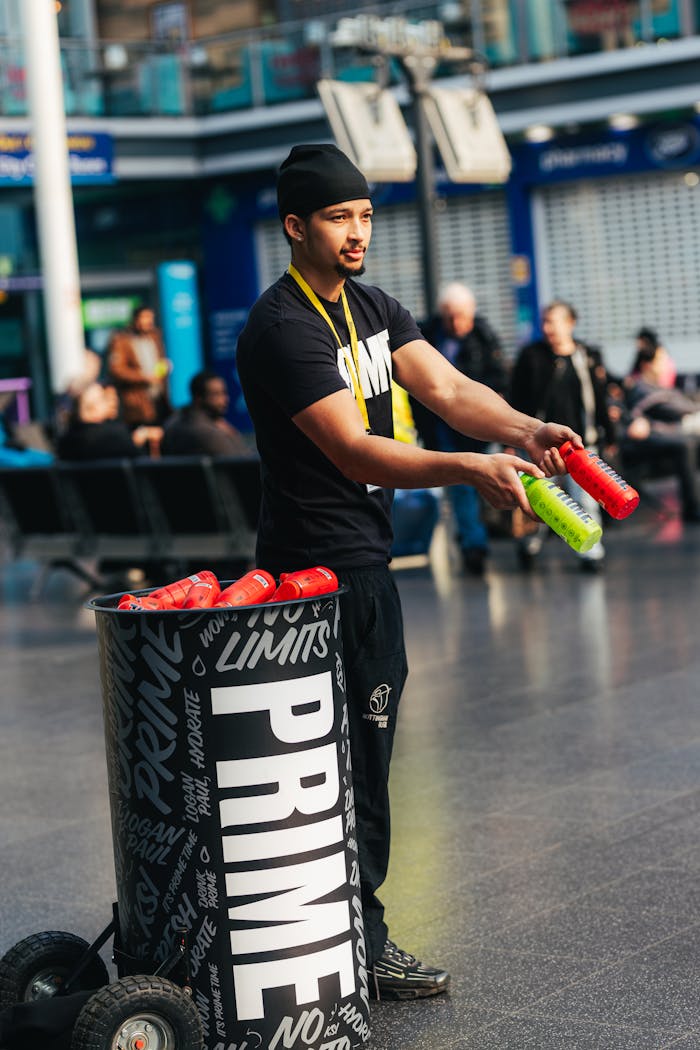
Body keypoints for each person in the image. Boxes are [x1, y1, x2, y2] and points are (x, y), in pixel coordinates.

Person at [235, 143, 582, 1002]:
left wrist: (524, 427)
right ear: (295, 226)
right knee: (345, 764)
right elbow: (355, 447)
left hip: (363, 565)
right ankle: (361, 941)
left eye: (364, 217)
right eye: (338, 218)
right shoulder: (282, 326)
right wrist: (470, 470)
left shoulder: (372, 306)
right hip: (317, 573)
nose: (357, 233)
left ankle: (346, 932)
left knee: (365, 758)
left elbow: (452, 391)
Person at [509, 300, 615, 572]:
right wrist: (511, 440)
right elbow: (515, 400)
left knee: (585, 501)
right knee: (542, 501)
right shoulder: (531, 356)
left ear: (570, 323)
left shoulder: (586, 356)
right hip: (540, 446)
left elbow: (598, 398)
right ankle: (530, 546)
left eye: (552, 322)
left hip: (581, 444)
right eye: (544, 322)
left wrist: (609, 434)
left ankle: (591, 554)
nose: (546, 328)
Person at [416, 282, 509, 575]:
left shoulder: (484, 337)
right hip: (439, 424)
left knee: (479, 484)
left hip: (477, 424)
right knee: (463, 485)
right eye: (450, 317)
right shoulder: (426, 334)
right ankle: (474, 544)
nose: (456, 323)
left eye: (461, 316)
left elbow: (499, 380)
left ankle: (473, 534)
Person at [619, 343, 700, 522]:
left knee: (690, 440)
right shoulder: (642, 388)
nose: (666, 363)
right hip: (640, 442)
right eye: (661, 359)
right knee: (686, 444)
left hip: (660, 434)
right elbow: (673, 409)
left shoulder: (657, 386)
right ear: (648, 364)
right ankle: (692, 508)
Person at [57, 382, 162, 461]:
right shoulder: (114, 435)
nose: (110, 403)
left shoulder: (65, 443)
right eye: (104, 398)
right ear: (93, 408)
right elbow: (139, 459)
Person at [160, 369, 251, 457]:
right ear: (198, 399)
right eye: (216, 394)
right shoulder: (206, 431)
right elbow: (242, 460)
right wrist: (232, 434)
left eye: (224, 393)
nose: (225, 399)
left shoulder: (172, 421)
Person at [107, 306, 171, 427]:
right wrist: (144, 377)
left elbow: (159, 359)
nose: (148, 322)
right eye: (144, 318)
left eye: (150, 318)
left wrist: (163, 367)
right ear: (135, 319)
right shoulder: (121, 340)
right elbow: (117, 370)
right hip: (137, 402)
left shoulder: (154, 336)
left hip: (157, 398)